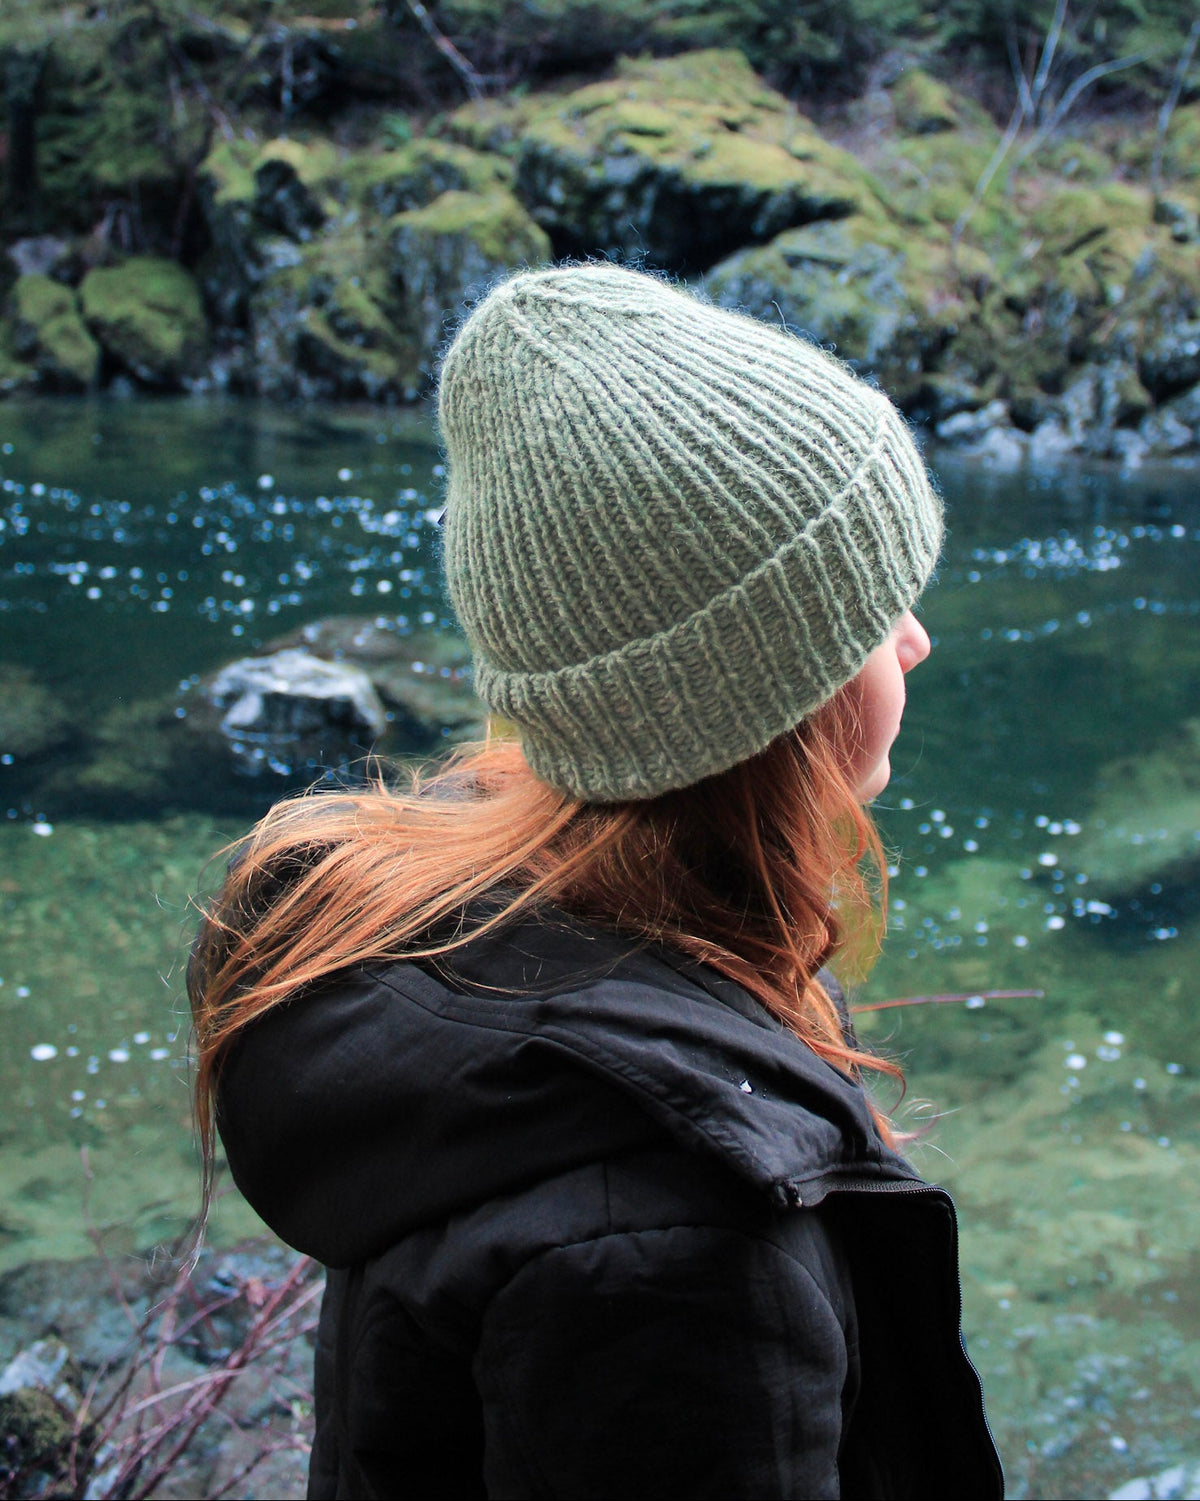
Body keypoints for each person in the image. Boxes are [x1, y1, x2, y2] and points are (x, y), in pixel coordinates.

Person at [188, 263, 1003, 1499]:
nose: (915, 638)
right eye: (872, 610)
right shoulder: (674, 1245)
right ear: (756, 698)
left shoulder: (478, 963)